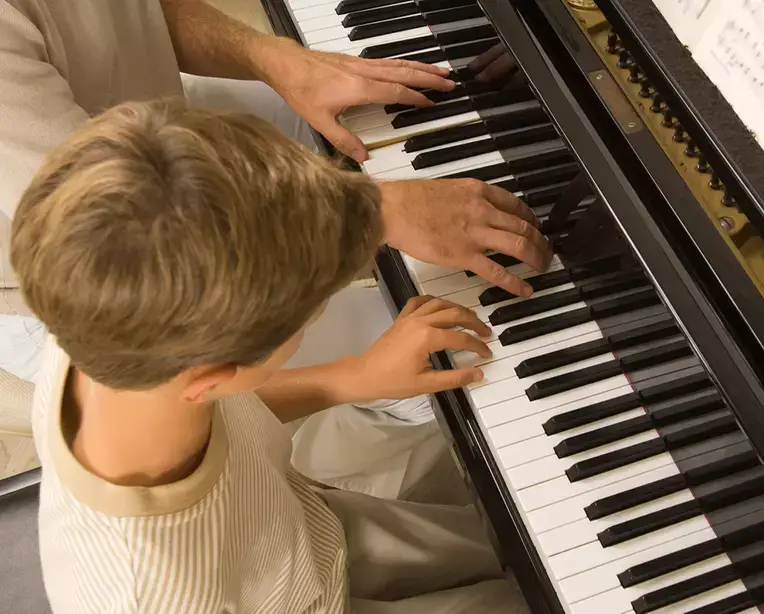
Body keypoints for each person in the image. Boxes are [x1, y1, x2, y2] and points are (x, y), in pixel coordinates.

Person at [0, 0, 551, 496]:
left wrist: (274, 57)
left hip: (156, 146)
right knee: (444, 372)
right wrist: (369, 212)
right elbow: (124, 227)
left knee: (349, 121)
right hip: (116, 281)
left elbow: (130, 14)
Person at [11, 99, 529, 614]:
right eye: (312, 316)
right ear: (213, 375)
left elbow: (230, 410)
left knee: (515, 554)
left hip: (305, 534)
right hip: (292, 592)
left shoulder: (98, 314)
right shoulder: (152, 595)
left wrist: (351, 378)